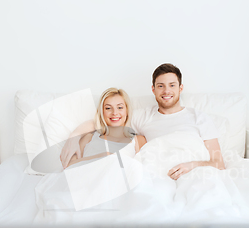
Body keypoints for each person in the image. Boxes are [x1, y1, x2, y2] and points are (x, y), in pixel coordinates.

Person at [60, 63, 225, 179]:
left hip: (195, 174)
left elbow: (218, 163)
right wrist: (73, 137)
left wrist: (192, 166)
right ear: (153, 89)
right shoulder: (142, 116)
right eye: (160, 86)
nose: (166, 90)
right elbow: (107, 120)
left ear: (180, 88)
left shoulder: (199, 118)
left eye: (172, 85)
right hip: (160, 176)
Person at [65, 87, 146, 168]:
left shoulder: (138, 141)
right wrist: (102, 157)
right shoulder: (89, 138)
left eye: (120, 107)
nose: (114, 113)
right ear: (102, 112)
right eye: (108, 108)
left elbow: (143, 170)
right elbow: (69, 166)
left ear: (127, 111)